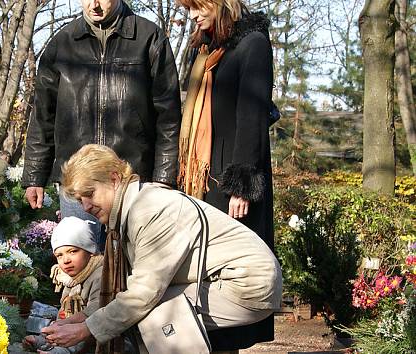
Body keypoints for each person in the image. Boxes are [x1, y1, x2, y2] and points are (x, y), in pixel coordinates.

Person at [40, 144, 282, 353]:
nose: (86, 206)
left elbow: (142, 294)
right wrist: (81, 318)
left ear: (114, 179)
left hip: (246, 283)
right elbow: (124, 289)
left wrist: (86, 330)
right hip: (229, 278)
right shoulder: (133, 207)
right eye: (80, 199)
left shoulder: (150, 211)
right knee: (142, 311)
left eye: (89, 194)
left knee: (151, 311)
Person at [21, 0, 182, 248]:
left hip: (132, 180)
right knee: (81, 265)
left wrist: (164, 177)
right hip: (76, 183)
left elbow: (168, 117)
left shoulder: (148, 38)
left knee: (132, 267)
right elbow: (43, 116)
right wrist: (34, 175)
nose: (94, 5)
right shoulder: (62, 44)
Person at [175, 0, 276, 350]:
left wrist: (242, 186)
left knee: (226, 277)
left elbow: (253, 116)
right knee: (199, 274)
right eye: (187, 8)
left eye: (197, 6)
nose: (192, 15)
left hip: (230, 181)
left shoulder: (253, 44)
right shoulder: (205, 48)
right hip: (200, 180)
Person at [23, 216, 103, 354]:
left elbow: (94, 314)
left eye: (73, 251)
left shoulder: (100, 275)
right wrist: (47, 336)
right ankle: (46, 342)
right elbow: (64, 315)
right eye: (59, 255)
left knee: (79, 328)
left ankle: (59, 351)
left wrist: (63, 329)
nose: (65, 260)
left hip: (92, 338)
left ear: (90, 251)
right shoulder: (70, 278)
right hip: (72, 334)